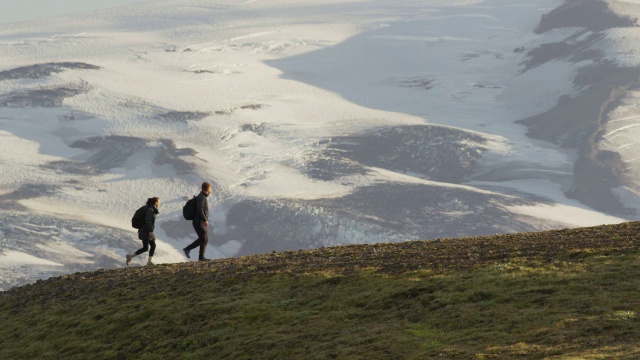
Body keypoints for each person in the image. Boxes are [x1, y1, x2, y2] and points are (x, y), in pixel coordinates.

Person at [126, 197, 160, 266]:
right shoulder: (150, 210)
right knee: (146, 247)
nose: (159, 203)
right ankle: (130, 257)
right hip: (145, 230)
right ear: (156, 202)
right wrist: (150, 231)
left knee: (153, 245)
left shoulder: (151, 209)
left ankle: (149, 262)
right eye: (159, 202)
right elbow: (148, 220)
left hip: (147, 230)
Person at [183, 182, 211, 261]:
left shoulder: (202, 196)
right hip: (198, 221)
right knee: (203, 238)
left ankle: (201, 257)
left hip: (199, 221)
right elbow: (199, 209)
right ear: (208, 189)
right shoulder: (202, 197)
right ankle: (187, 249)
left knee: (205, 239)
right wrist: (204, 219)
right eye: (210, 189)